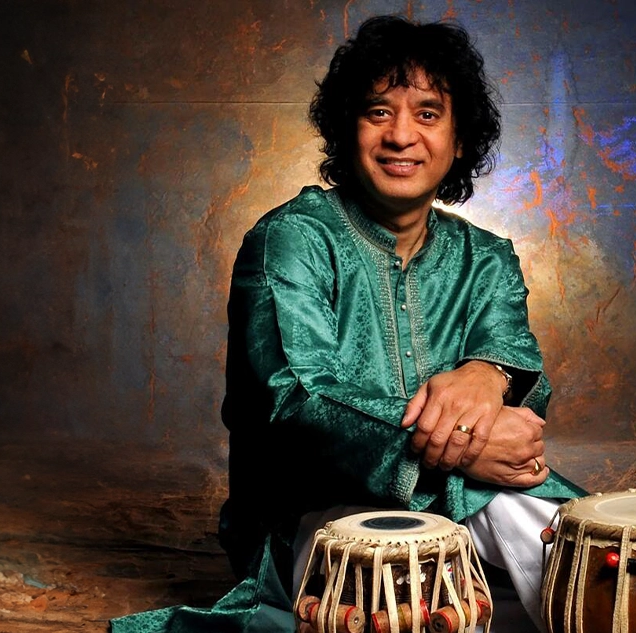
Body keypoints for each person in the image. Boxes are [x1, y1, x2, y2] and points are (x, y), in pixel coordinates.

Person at [111, 15, 583, 633]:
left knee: (545, 530)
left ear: (460, 139)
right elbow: (295, 403)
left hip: (467, 508)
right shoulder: (292, 240)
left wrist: (488, 373)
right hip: (313, 517)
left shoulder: (486, 258)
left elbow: (522, 387)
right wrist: (463, 444)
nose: (401, 136)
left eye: (428, 114)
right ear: (346, 129)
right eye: (377, 112)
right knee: (444, 553)